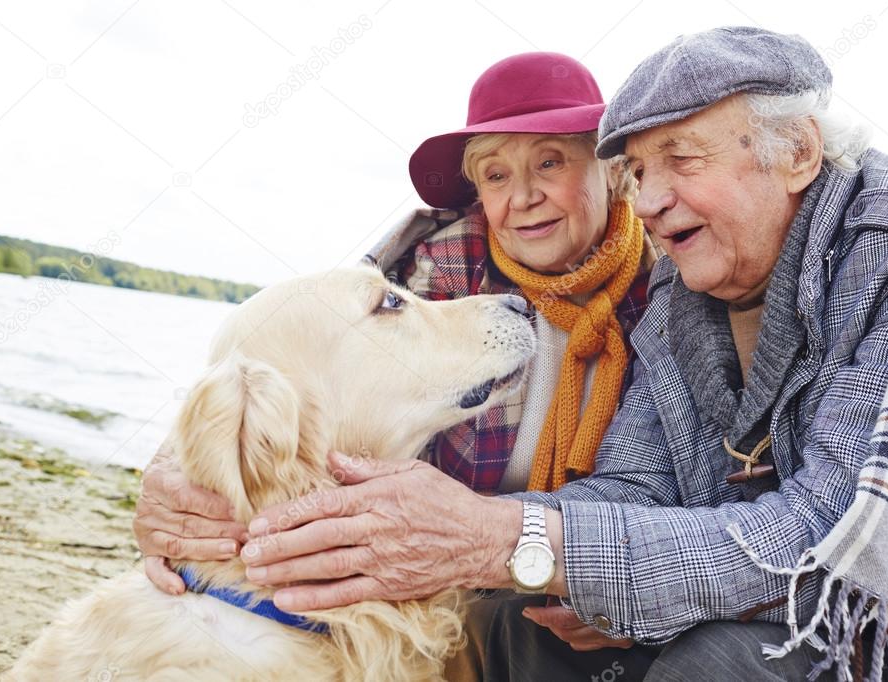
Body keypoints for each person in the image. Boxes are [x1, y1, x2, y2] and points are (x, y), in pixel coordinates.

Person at [233, 26, 888, 680]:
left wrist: (513, 541)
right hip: (742, 575)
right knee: (515, 621)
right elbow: (635, 483)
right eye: (641, 169)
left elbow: (829, 535)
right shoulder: (674, 294)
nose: (652, 198)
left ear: (796, 152)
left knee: (725, 659)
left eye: (680, 159)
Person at [132, 51, 660, 676]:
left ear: (610, 169)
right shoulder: (431, 268)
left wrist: (614, 578)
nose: (523, 196)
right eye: (495, 175)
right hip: (448, 575)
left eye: (549, 161)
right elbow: (287, 362)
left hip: (597, 565)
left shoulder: (674, 286)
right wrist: (173, 481)